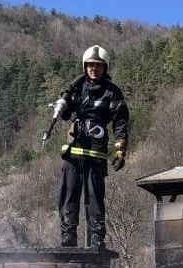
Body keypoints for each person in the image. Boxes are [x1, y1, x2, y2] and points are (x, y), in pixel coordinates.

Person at [58, 45, 130, 249]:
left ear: (105, 68)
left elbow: (121, 121)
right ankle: (68, 237)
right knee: (68, 194)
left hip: (96, 153)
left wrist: (120, 148)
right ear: (84, 66)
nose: (93, 69)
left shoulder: (112, 93)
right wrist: (63, 104)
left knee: (94, 198)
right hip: (74, 152)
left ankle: (97, 239)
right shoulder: (76, 88)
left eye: (98, 66)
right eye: (90, 65)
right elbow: (65, 114)